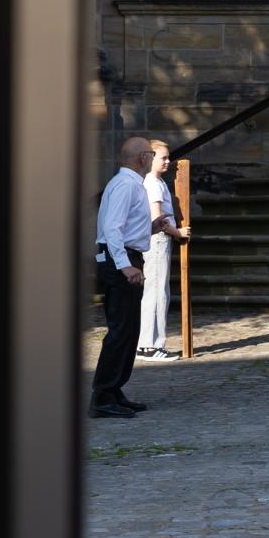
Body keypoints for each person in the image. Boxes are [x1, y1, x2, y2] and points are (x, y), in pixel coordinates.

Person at [91, 137, 157, 418]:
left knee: (128, 329)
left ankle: (114, 389)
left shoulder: (129, 184)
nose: (153, 159)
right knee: (121, 330)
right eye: (151, 154)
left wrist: (151, 229)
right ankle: (103, 394)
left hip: (125, 257)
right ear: (142, 157)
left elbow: (123, 228)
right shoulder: (126, 185)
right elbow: (112, 228)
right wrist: (125, 266)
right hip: (121, 262)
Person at [137, 140, 190, 361]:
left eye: (168, 157)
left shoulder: (155, 182)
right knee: (157, 292)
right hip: (157, 240)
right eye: (163, 158)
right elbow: (157, 218)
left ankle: (146, 343)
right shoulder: (152, 183)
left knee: (156, 291)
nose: (168, 161)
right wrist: (178, 233)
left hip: (158, 241)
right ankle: (150, 345)